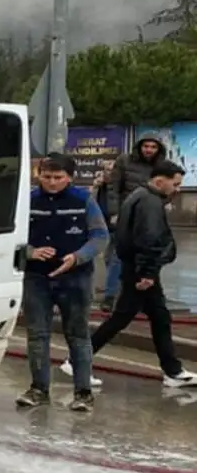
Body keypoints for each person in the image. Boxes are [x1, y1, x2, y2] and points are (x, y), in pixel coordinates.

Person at [78, 162, 196, 388]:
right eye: (175, 184)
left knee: (160, 318)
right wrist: (147, 273)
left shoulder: (141, 196)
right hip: (141, 271)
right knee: (121, 318)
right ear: (160, 181)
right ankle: (77, 360)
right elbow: (148, 239)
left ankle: (173, 370)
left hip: (139, 268)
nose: (178, 189)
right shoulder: (149, 202)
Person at [16, 154, 108, 412]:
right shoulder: (28, 201)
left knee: (78, 335)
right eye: (47, 177)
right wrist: (30, 251)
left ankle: (83, 393)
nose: (52, 182)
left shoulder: (84, 200)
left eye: (58, 177)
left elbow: (100, 236)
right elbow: (13, 236)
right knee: (37, 335)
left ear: (70, 177)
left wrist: (78, 257)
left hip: (76, 277)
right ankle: (38, 390)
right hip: (36, 277)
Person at [92, 158, 122, 311]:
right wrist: (95, 187)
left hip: (117, 226)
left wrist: (118, 215)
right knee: (108, 259)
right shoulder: (100, 185)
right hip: (103, 226)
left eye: (112, 170)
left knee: (115, 260)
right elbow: (92, 202)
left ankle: (110, 296)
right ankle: (116, 289)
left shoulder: (119, 186)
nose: (109, 173)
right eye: (107, 170)